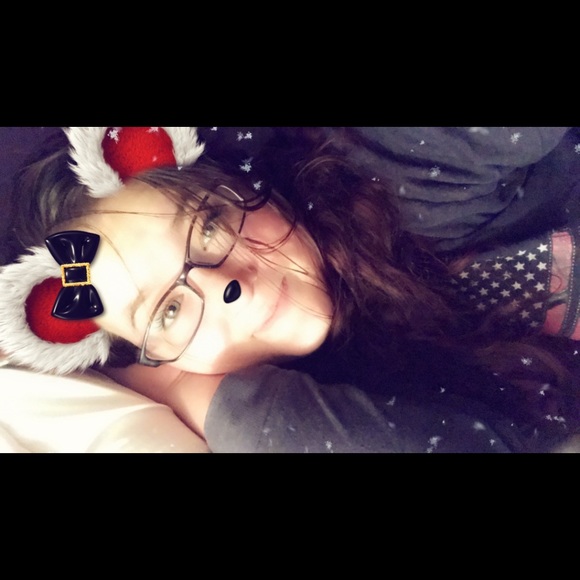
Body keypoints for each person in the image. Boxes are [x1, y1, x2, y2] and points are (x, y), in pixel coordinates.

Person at [1, 126, 579, 453]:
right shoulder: (331, 393)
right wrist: (207, 398)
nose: (228, 288)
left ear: (238, 182)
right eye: (169, 309)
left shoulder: (394, 178)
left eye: (209, 225)